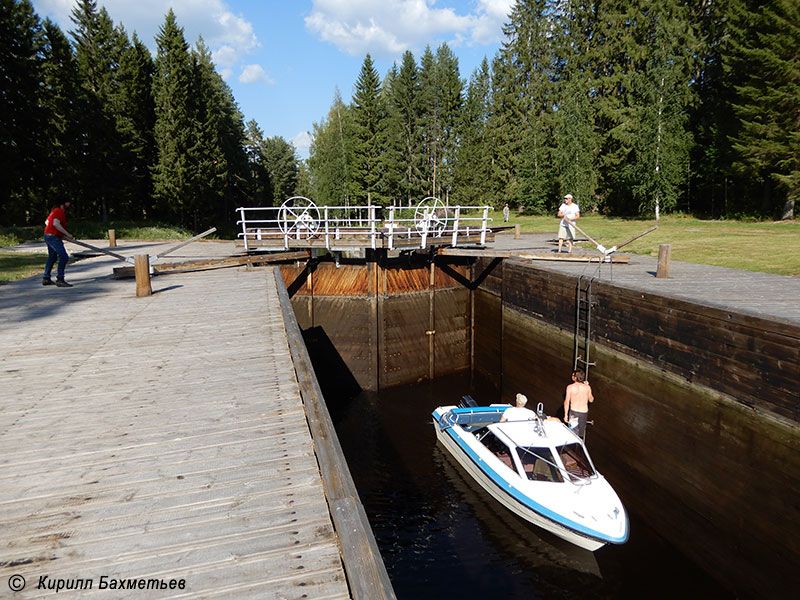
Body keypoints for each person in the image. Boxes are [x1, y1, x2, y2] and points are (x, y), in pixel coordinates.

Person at [43, 201, 74, 287]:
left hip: (48, 235)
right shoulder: (58, 211)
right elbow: (55, 223)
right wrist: (67, 234)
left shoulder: (54, 211)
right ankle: (60, 279)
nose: (69, 204)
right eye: (67, 202)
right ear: (62, 203)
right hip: (53, 237)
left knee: (52, 257)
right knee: (63, 256)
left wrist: (60, 233)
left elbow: (47, 222)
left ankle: (46, 278)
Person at [563, 369, 594, 439]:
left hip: (574, 413)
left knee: (572, 432)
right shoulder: (587, 387)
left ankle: (571, 446)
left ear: (575, 378)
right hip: (583, 413)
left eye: (573, 375)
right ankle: (578, 447)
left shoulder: (570, 387)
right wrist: (588, 387)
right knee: (580, 434)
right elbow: (591, 400)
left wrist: (565, 415)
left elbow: (566, 402)